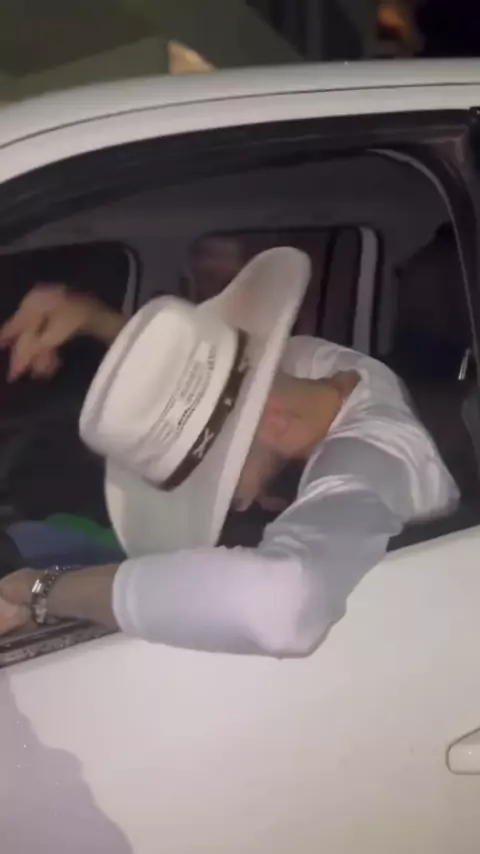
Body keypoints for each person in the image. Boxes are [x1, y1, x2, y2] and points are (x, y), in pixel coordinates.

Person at [0, 248, 458, 656]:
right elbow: (211, 375)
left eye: (218, 484)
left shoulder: (373, 459)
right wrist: (98, 320)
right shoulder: (319, 368)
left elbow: (279, 607)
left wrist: (40, 589)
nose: (238, 502)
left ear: (275, 423)